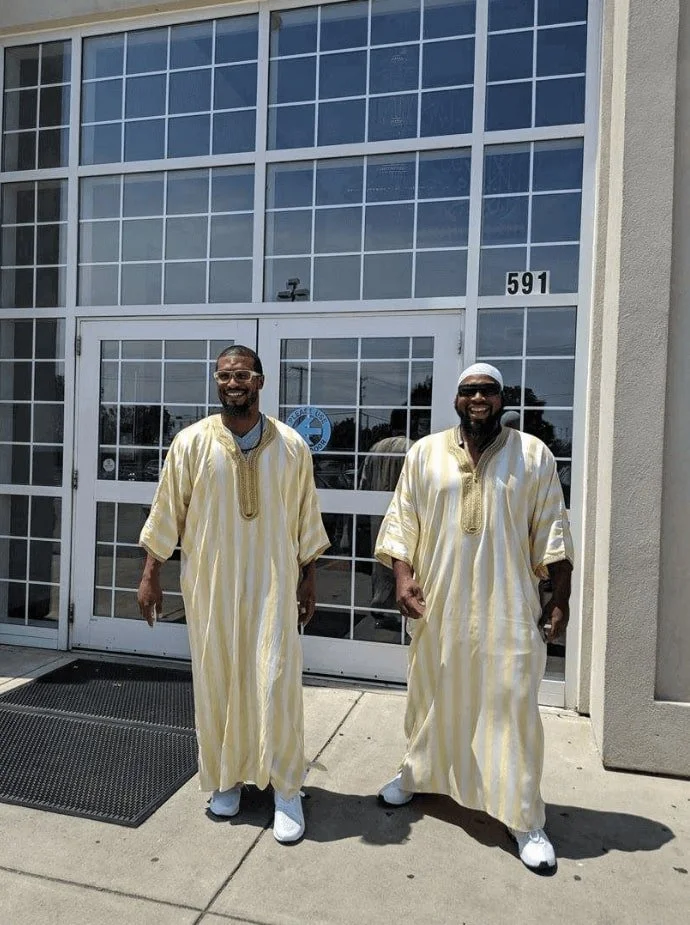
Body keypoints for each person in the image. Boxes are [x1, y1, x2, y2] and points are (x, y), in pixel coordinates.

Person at [374, 362, 574, 871]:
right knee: (432, 693)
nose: (478, 398)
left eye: (487, 391)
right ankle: (417, 775)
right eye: (468, 391)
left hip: (507, 610)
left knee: (510, 707)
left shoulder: (533, 455)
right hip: (439, 606)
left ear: (502, 399)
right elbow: (403, 521)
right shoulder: (424, 453)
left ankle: (524, 816)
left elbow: (553, 533)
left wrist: (560, 599)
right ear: (456, 399)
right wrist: (402, 577)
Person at [137, 345, 329, 844]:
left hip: (273, 584)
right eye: (224, 375)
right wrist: (150, 573)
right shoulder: (191, 443)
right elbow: (167, 513)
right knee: (217, 679)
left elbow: (306, 518)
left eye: (242, 374)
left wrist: (309, 578)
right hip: (211, 586)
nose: (232, 382)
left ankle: (287, 789)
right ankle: (225, 779)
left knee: (277, 682)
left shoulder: (291, 446)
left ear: (260, 381)